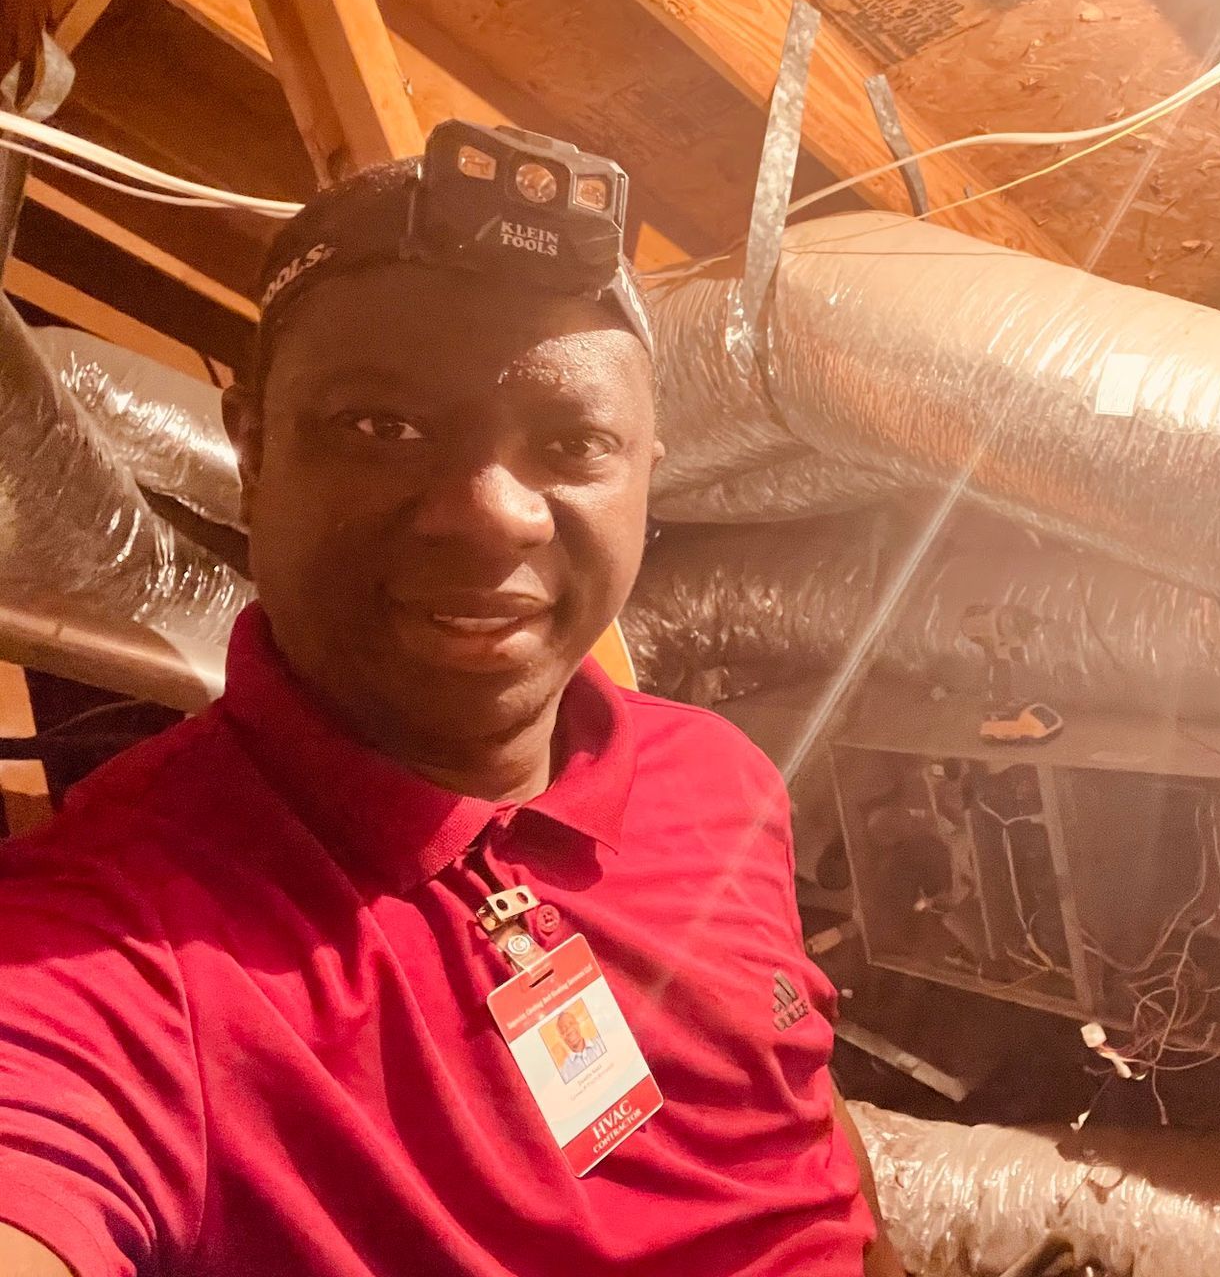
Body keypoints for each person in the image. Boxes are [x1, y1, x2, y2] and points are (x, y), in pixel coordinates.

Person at [0, 125, 907, 1277]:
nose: (492, 516)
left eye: (573, 441)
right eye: (383, 428)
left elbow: (796, 1119)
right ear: (253, 452)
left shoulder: (719, 777)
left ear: (646, 474)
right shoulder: (107, 945)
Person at [553, 1008, 607, 1082]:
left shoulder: (601, 1043)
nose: (569, 1030)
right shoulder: (564, 1073)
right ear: (561, 1037)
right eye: (563, 1030)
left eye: (571, 1023)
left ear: (578, 1024)